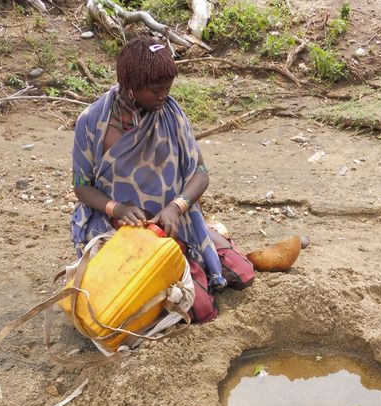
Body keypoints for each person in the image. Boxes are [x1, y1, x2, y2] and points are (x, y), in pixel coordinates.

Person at [71, 38, 253, 323]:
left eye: (168, 89)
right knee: (199, 309)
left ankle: (205, 238)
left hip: (173, 222)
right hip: (121, 228)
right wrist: (117, 209)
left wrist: (176, 208)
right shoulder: (93, 122)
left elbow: (200, 173)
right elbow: (82, 186)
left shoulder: (171, 113)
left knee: (242, 274)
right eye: (156, 90)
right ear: (131, 85)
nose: (163, 96)